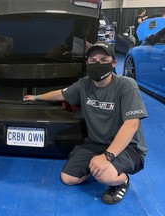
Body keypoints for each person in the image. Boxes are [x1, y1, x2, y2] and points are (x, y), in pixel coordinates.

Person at [23, 41, 148, 204]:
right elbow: (61, 94)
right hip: (96, 144)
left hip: (127, 147)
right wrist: (37, 97)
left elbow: (131, 124)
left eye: (104, 60)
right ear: (87, 63)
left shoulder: (126, 85)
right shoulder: (84, 84)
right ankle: (98, 168)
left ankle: (122, 181)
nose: (98, 64)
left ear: (114, 62)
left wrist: (107, 156)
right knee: (68, 178)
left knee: (105, 175)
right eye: (93, 60)